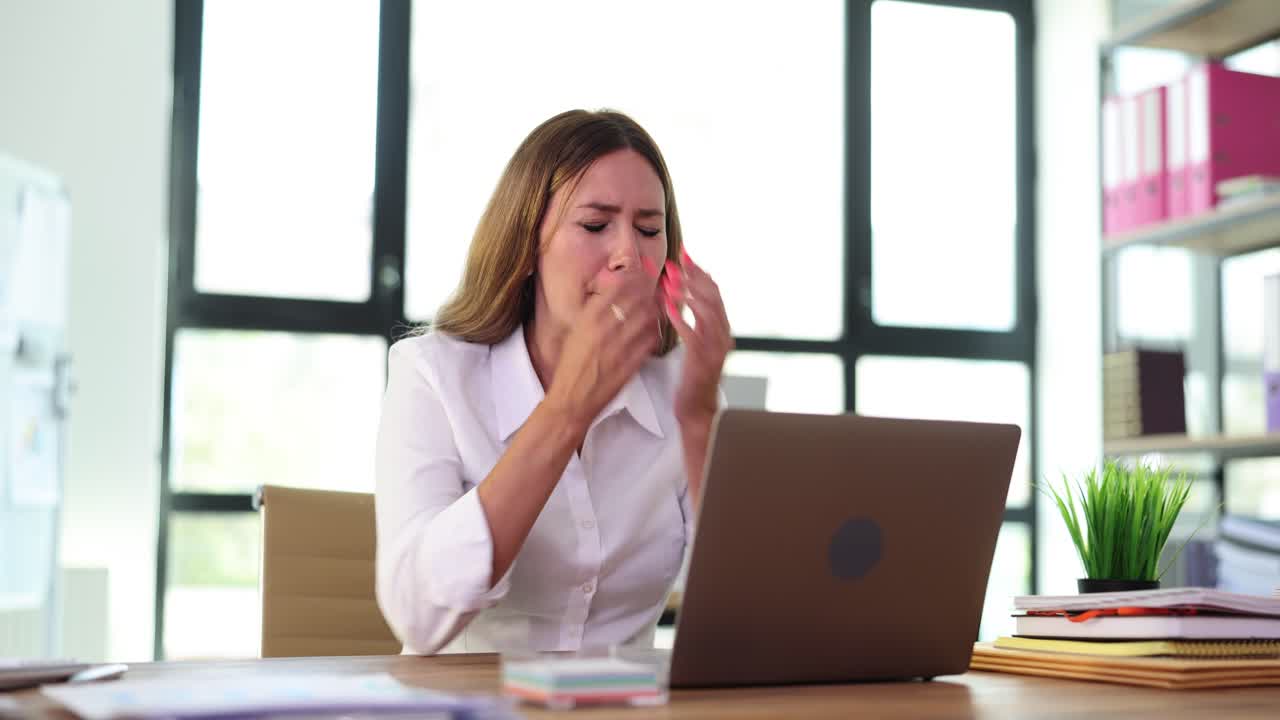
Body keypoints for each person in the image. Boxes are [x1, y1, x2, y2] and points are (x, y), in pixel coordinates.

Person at [374, 109, 733, 654]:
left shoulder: (680, 389)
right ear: (526, 245)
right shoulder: (432, 376)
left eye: (649, 230)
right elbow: (418, 619)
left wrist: (702, 418)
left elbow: (748, 616)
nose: (628, 257)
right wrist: (566, 411)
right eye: (594, 226)